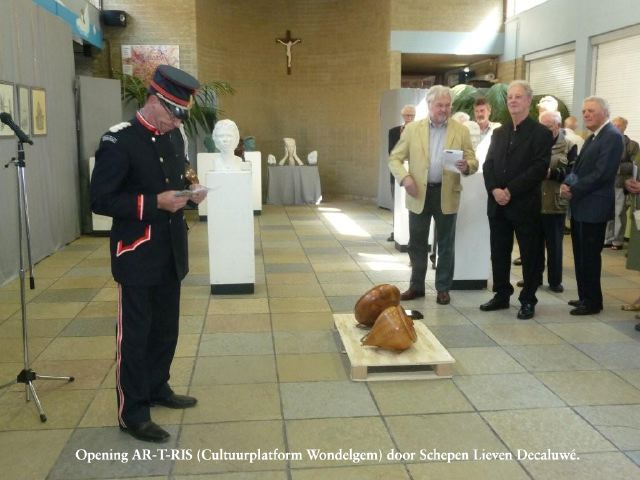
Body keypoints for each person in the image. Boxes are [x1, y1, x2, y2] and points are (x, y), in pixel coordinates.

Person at [91, 65, 207, 443]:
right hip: (137, 254)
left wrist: (192, 191)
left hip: (171, 251)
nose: (177, 122)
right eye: (173, 112)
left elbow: (180, 174)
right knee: (136, 336)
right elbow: (101, 199)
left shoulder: (173, 137)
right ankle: (133, 412)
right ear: (155, 101)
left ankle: (158, 387)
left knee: (165, 330)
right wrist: (152, 203)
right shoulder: (119, 141)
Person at [389, 85, 477, 305]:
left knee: (446, 244)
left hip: (447, 194)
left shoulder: (461, 130)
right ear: (429, 105)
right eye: (440, 105)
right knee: (417, 243)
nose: (444, 109)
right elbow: (394, 159)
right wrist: (405, 178)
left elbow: (473, 161)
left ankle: (443, 288)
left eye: (448, 106)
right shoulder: (412, 129)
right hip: (419, 193)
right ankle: (416, 286)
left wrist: (467, 166)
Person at [480, 80, 553, 320]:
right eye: (510, 96)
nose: (512, 100)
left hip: (524, 204)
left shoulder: (540, 133)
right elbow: (489, 164)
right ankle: (501, 294)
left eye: (518, 96)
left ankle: (528, 299)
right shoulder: (499, 133)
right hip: (497, 204)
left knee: (530, 255)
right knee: (498, 252)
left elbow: (539, 168)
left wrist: (510, 190)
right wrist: (494, 190)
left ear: (528, 101)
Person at [560, 96, 623, 315]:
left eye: (591, 111)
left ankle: (593, 302)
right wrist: (567, 184)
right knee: (580, 254)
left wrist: (574, 189)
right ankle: (584, 296)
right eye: (584, 111)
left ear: (604, 113)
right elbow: (577, 168)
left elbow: (602, 174)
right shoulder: (592, 137)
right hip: (581, 205)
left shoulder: (612, 137)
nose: (585, 114)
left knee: (589, 256)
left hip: (594, 207)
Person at [534, 110, 577, 293]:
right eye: (541, 126)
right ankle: (533, 278)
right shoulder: (534, 144)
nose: (544, 130)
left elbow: (573, 173)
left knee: (554, 245)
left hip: (555, 202)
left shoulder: (569, 145)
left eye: (548, 126)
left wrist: (553, 174)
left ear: (558, 126)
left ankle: (554, 280)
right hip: (534, 201)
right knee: (533, 245)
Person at [604, 117, 639, 249]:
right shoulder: (607, 142)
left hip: (621, 183)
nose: (616, 127)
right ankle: (607, 238)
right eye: (614, 125)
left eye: (619, 125)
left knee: (619, 213)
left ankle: (617, 241)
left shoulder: (632, 145)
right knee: (608, 212)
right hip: (607, 183)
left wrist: (617, 168)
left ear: (625, 127)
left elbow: (635, 165)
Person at [387, 104, 416, 242]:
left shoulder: (420, 131)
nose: (409, 118)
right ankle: (396, 231)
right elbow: (391, 153)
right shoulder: (393, 132)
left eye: (412, 115)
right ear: (402, 116)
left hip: (415, 174)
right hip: (397, 173)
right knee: (396, 204)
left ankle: (412, 235)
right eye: (407, 115)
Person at [472, 97, 501, 167]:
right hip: (472, 172)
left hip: (492, 170)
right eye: (477, 111)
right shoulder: (468, 130)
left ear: (489, 112)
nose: (479, 114)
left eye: (482, 111)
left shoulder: (498, 128)